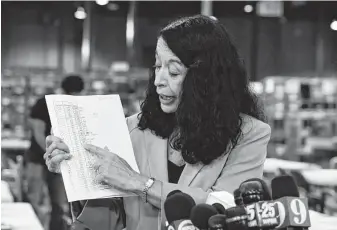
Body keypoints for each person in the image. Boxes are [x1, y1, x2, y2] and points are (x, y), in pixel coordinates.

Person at [44, 15, 271, 230]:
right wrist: (77, 172)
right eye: (157, 66)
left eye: (173, 72)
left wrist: (140, 184)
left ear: (207, 80)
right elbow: (108, 220)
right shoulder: (133, 129)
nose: (159, 81)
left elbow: (227, 210)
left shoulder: (249, 134)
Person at [25, 75, 84, 230]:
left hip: (59, 161)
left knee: (59, 203)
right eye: (72, 94)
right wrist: (50, 153)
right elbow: (38, 131)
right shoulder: (43, 103)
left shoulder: (71, 106)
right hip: (38, 158)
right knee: (35, 199)